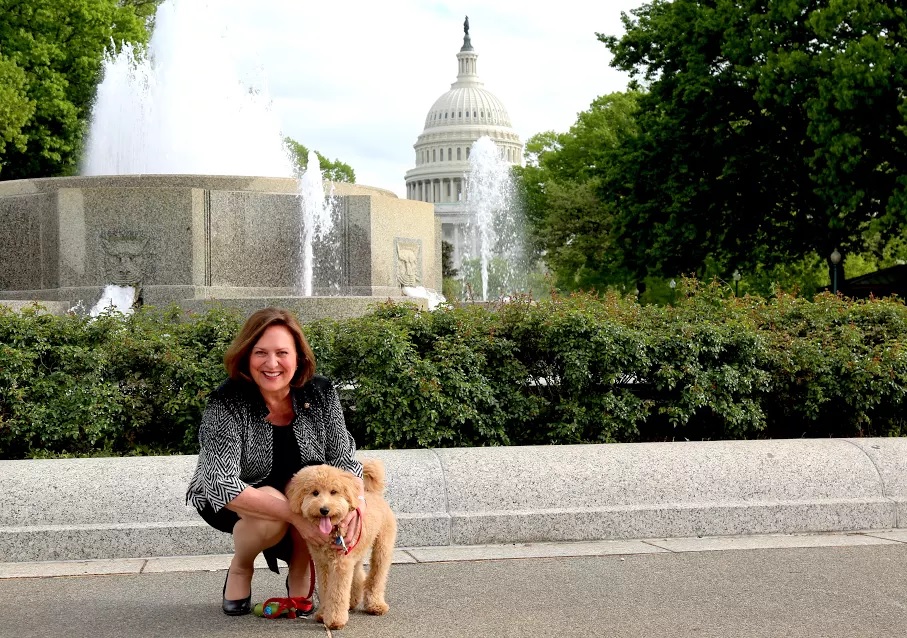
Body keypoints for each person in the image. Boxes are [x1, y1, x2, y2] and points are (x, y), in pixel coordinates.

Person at [186, 307, 366, 616]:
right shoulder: (227, 400)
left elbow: (344, 460)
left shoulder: (321, 392)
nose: (272, 364)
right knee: (276, 503)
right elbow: (220, 482)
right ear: (246, 356)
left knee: (316, 499)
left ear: (299, 358)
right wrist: (295, 515)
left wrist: (358, 503)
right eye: (260, 353)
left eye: (282, 352)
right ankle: (241, 567)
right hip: (237, 500)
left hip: (307, 497)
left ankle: (300, 570)